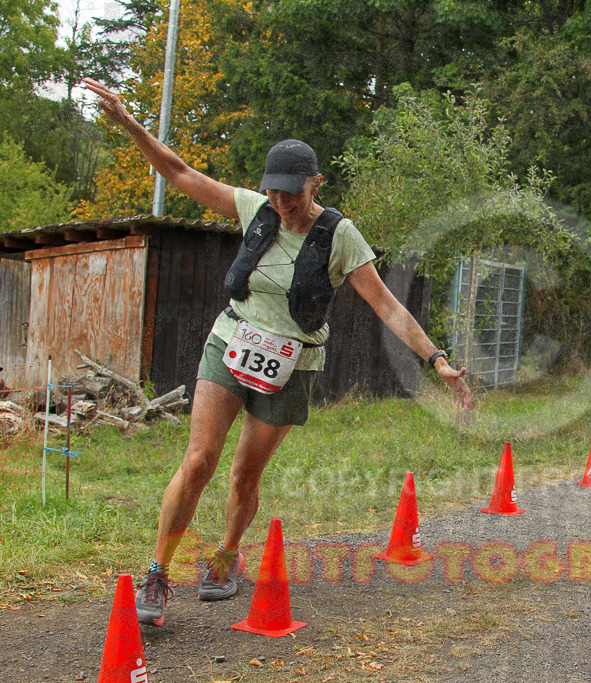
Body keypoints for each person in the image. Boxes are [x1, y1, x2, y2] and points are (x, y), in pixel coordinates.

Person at [82, 78, 472, 627]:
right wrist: (127, 122)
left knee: (244, 475)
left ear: (316, 183)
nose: (284, 203)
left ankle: (225, 557)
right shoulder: (255, 209)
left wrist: (437, 362)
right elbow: (179, 173)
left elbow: (387, 306)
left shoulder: (341, 236)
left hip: (293, 364)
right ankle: (158, 572)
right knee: (199, 461)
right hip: (233, 341)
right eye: (275, 192)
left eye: (294, 193)